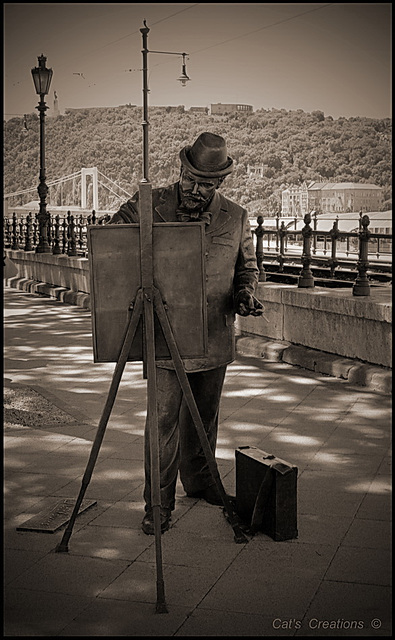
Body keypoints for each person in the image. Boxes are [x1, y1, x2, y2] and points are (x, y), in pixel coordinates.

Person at [108, 132, 263, 535]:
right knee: (162, 424)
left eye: (206, 184)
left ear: (220, 184)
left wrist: (245, 293)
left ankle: (201, 483)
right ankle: (157, 505)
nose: (196, 190)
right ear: (180, 170)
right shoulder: (149, 204)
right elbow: (110, 242)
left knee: (204, 420)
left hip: (213, 334)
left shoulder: (237, 216)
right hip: (164, 336)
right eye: (190, 180)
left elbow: (247, 268)